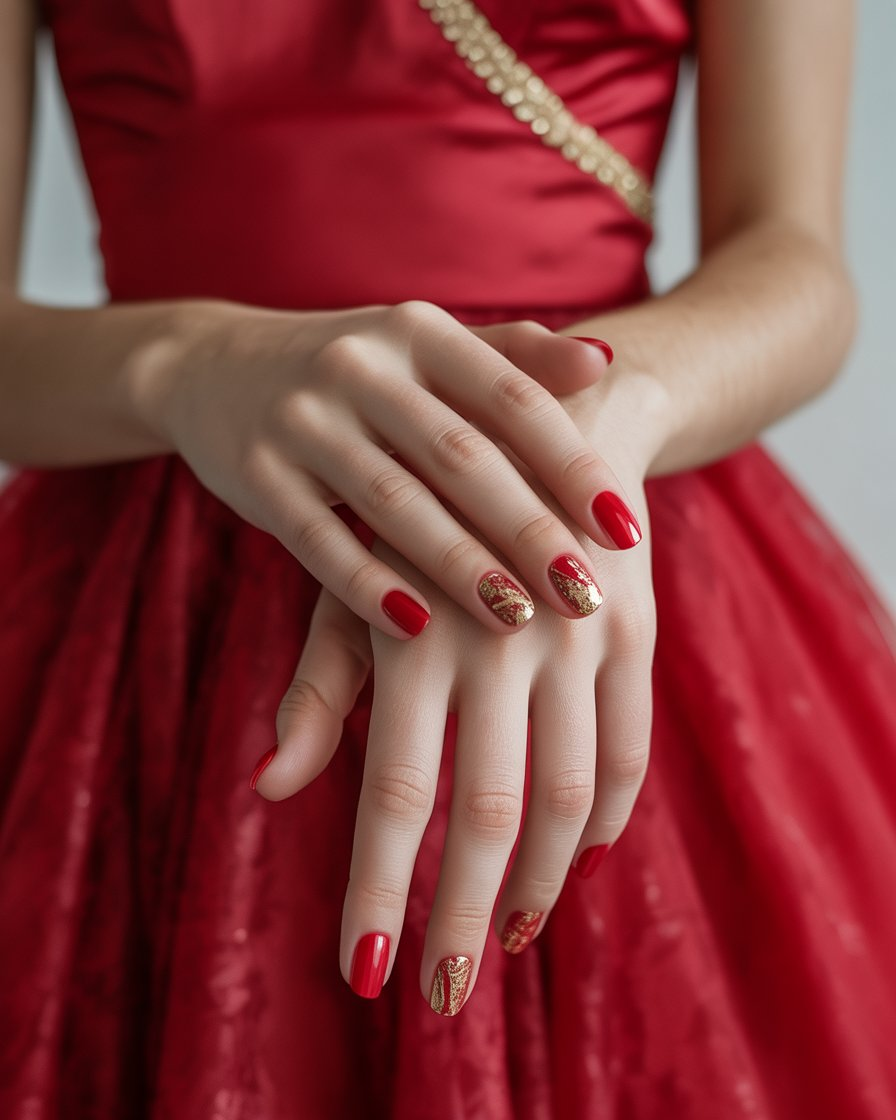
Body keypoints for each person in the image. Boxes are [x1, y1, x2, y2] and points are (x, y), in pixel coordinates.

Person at [1, 0, 895, 1115]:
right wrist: (190, 364)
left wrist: (572, 443)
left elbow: (795, 255)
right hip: (158, 577)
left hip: (597, 527)